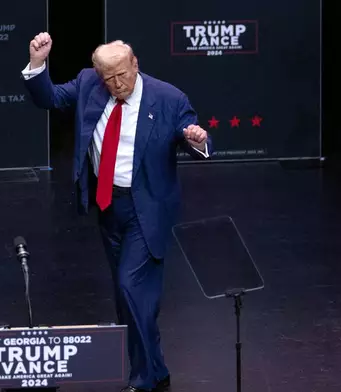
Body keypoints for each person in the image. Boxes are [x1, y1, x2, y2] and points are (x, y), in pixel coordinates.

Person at [21, 32, 213, 392]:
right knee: (128, 298)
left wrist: (197, 140)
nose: (117, 83)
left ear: (135, 64)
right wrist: (37, 63)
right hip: (108, 206)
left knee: (130, 285)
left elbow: (196, 137)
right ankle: (156, 368)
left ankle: (142, 379)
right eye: (108, 78)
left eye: (122, 74)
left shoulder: (168, 98)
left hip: (149, 207)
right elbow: (48, 98)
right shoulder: (88, 84)